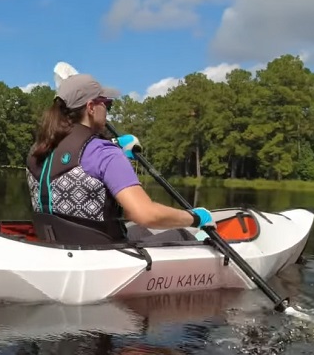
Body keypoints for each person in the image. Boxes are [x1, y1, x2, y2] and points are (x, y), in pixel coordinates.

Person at [25, 73, 214, 243]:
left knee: (141, 231)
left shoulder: (37, 150)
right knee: (182, 234)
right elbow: (144, 213)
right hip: (104, 254)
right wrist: (195, 218)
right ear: (91, 107)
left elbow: (74, 157)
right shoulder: (104, 153)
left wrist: (115, 144)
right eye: (106, 104)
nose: (108, 110)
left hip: (58, 245)